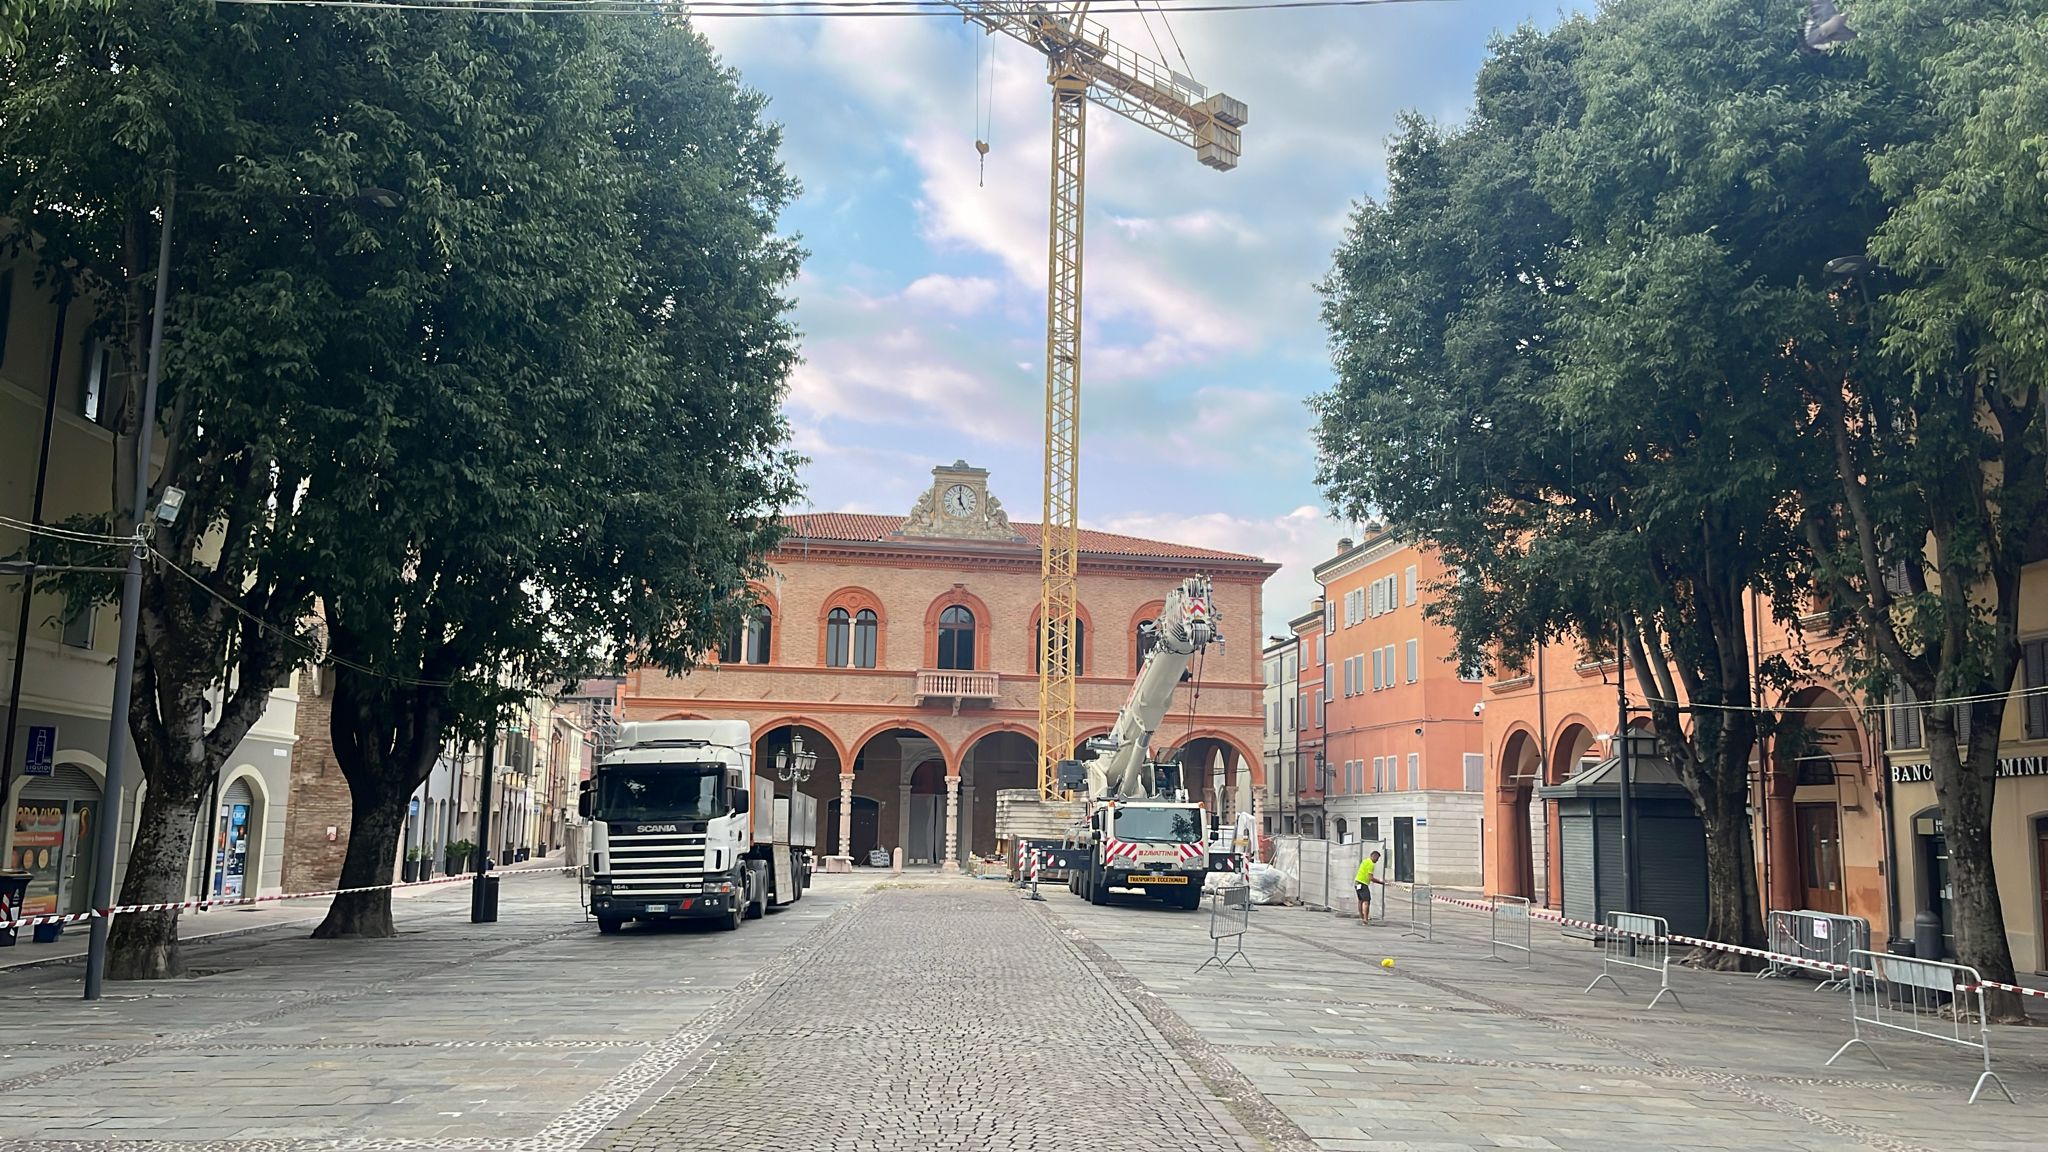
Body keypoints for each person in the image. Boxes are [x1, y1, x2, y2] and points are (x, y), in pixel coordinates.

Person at [1354, 849, 1385, 924]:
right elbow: (1370, 878)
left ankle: (1362, 916)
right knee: (1366, 901)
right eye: (1377, 859)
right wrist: (1381, 882)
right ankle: (1365, 919)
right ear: (1374, 856)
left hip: (1357, 882)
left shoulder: (1365, 861)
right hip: (1363, 883)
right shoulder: (1371, 864)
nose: (1377, 861)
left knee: (1360, 900)